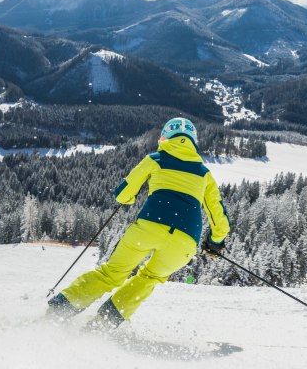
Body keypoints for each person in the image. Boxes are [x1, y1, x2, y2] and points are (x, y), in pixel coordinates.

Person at [47, 117, 231, 329]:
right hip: (184, 241)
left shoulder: (156, 159)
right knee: (149, 278)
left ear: (164, 138)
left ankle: (59, 310)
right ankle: (104, 323)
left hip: (148, 228)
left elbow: (123, 193)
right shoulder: (204, 174)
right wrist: (214, 243)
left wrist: (128, 199)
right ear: (194, 142)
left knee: (111, 274)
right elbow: (220, 220)